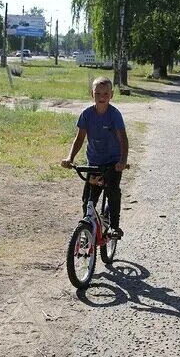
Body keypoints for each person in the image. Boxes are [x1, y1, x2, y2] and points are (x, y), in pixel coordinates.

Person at [60, 76, 129, 238]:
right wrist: (70, 157)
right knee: (88, 199)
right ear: (92, 94)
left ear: (111, 95)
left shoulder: (114, 115)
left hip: (112, 163)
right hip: (94, 163)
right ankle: (88, 231)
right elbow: (79, 138)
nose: (102, 97)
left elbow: (123, 139)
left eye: (105, 94)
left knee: (112, 191)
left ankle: (113, 226)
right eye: (98, 94)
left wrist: (122, 161)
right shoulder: (86, 114)